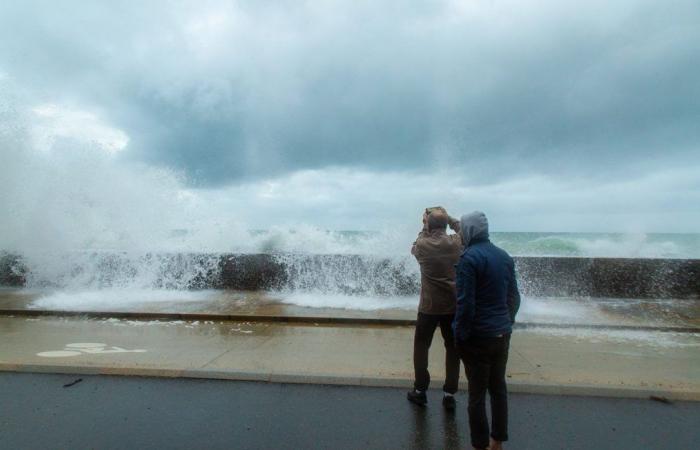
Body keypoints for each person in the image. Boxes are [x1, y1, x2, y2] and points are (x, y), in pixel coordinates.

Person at [453, 211, 520, 450]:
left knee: (477, 395)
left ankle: (480, 445)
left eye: (462, 228)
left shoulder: (468, 259)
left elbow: (465, 304)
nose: (460, 233)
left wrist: (460, 335)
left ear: (469, 230)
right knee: (498, 389)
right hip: (502, 334)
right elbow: (514, 297)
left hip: (477, 338)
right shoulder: (504, 256)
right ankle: (497, 442)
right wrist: (506, 322)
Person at [406, 206, 463, 410]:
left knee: (421, 347)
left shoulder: (422, 245)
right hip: (452, 306)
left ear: (428, 224)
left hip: (429, 307)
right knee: (453, 348)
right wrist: (448, 218)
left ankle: (420, 390)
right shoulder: (457, 243)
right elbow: (463, 229)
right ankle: (449, 394)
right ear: (446, 224)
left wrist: (425, 224)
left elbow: (415, 245)